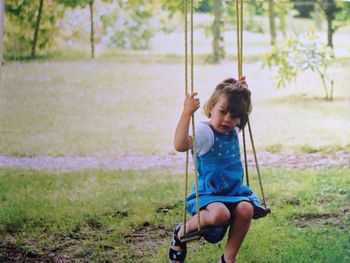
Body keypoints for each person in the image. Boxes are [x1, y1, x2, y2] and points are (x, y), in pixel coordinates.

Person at [169, 76, 269, 263]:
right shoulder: (205, 132)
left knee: (246, 209)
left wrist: (243, 94)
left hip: (234, 191)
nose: (227, 120)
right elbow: (179, 145)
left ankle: (228, 259)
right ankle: (181, 231)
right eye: (222, 112)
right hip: (210, 193)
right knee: (220, 214)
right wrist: (186, 114)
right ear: (211, 106)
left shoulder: (233, 129)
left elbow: (242, 114)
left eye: (234, 116)